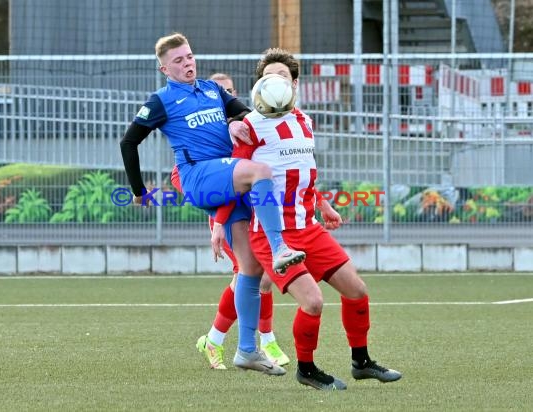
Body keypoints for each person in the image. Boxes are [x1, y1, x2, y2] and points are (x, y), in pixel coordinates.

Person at [212, 48, 402, 390]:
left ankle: (361, 362)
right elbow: (235, 178)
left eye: (282, 77)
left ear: (295, 84)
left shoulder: (303, 120)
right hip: (272, 237)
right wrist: (218, 225)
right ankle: (307, 370)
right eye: (267, 77)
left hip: (309, 228)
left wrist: (324, 204)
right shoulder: (249, 126)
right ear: (258, 85)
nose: (275, 82)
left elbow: (302, 176)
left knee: (357, 291)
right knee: (313, 302)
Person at [119, 33, 304, 376]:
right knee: (261, 171)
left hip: (228, 177)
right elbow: (128, 142)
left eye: (189, 56)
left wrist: (235, 121)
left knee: (250, 268)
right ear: (164, 69)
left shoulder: (211, 90)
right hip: (198, 176)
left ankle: (247, 350)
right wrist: (138, 190)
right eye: (178, 61)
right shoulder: (160, 101)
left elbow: (246, 112)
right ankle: (279, 246)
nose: (187, 63)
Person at [170, 72, 289, 369]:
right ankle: (262, 341)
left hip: (254, 208)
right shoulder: (202, 139)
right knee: (253, 276)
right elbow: (180, 177)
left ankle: (218, 340)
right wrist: (218, 221)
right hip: (227, 215)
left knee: (255, 276)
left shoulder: (245, 127)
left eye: (229, 92)